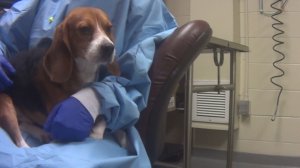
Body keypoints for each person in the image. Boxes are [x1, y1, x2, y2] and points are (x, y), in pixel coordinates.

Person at [0, 0, 177, 167]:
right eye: (84, 30)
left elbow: (141, 76)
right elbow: (5, 36)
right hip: (22, 107)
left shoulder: (143, 5)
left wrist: (95, 100)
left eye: (108, 30)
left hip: (107, 123)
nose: (107, 43)